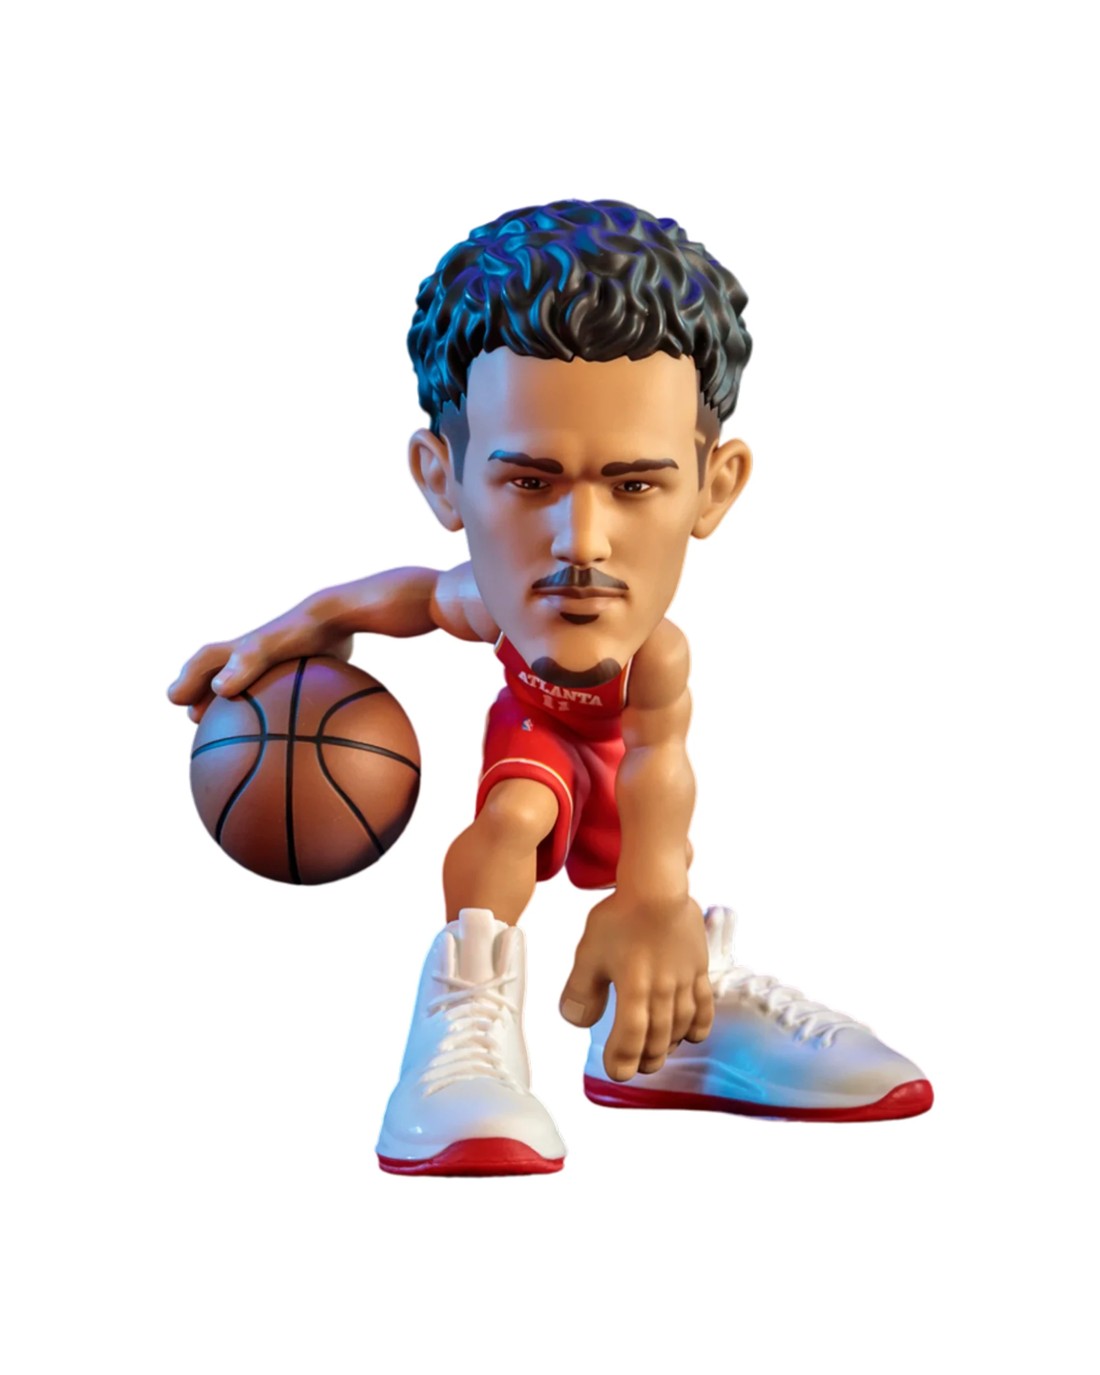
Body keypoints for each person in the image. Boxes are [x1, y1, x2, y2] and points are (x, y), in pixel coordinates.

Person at [169, 199, 932, 1176]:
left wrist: (655, 898)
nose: (582, 542)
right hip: (534, 739)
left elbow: (660, 768)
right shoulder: (488, 603)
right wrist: (284, 634)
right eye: (530, 482)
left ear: (715, 486)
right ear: (441, 478)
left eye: (635, 484)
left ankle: (673, 1017)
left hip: (628, 776)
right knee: (513, 819)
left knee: (658, 886)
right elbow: (395, 600)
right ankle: (465, 1011)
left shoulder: (656, 659)